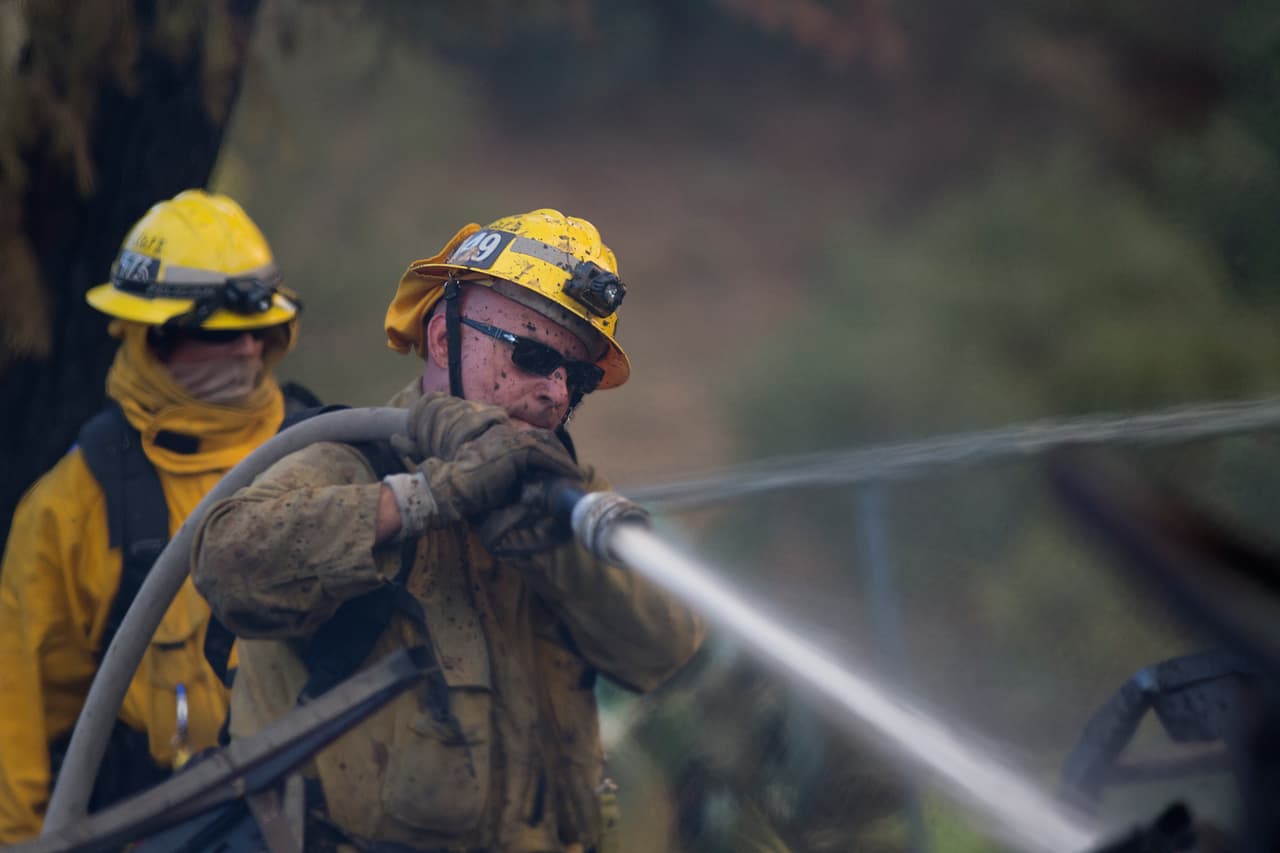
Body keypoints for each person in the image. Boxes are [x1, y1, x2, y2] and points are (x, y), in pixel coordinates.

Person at [191, 209, 706, 852]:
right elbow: (228, 563)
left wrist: (559, 555)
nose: (552, 394)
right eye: (533, 356)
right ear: (442, 340)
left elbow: (666, 646)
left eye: (574, 380)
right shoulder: (348, 462)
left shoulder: (564, 501)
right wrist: (422, 501)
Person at [0, 189, 303, 843]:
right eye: (219, 335)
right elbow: (15, 723)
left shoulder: (325, 458)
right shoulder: (73, 505)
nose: (248, 352)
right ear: (149, 338)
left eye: (260, 332)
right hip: (153, 826)